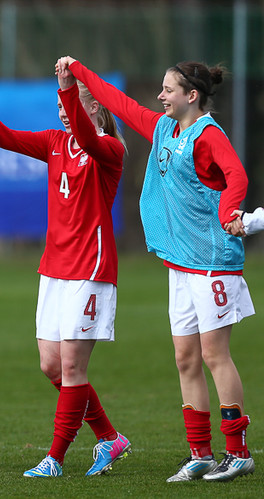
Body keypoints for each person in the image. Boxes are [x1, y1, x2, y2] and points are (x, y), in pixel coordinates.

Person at [61, 55, 255, 483]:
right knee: (185, 358)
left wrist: (230, 210)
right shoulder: (164, 127)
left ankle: (238, 452)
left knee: (214, 355)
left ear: (192, 95)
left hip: (213, 263)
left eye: (168, 90)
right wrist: (77, 70)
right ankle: (200, 453)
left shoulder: (207, 134)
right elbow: (117, 101)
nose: (160, 95)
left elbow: (236, 175)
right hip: (180, 263)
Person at [0, 64, 130, 478]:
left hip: (90, 268)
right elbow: (4, 138)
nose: (64, 112)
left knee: (72, 368)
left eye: (74, 104)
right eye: (61, 105)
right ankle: (109, 437)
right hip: (55, 268)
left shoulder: (109, 149)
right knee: (52, 366)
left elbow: (87, 138)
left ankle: (54, 459)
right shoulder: (54, 142)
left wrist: (68, 88)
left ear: (95, 107)